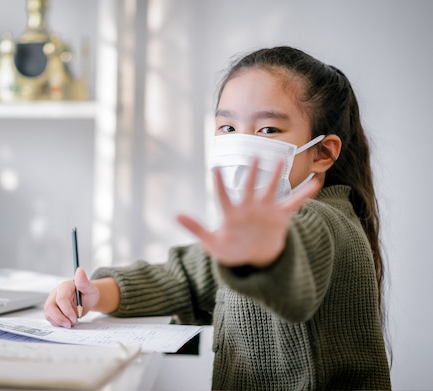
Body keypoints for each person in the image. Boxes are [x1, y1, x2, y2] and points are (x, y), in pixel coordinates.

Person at [44, 46, 391, 390]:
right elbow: (183, 278)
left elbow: (296, 265)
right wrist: (93, 294)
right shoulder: (247, 235)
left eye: (268, 130)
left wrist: (266, 257)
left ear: (322, 152)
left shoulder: (326, 222)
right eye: (227, 127)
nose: (240, 143)